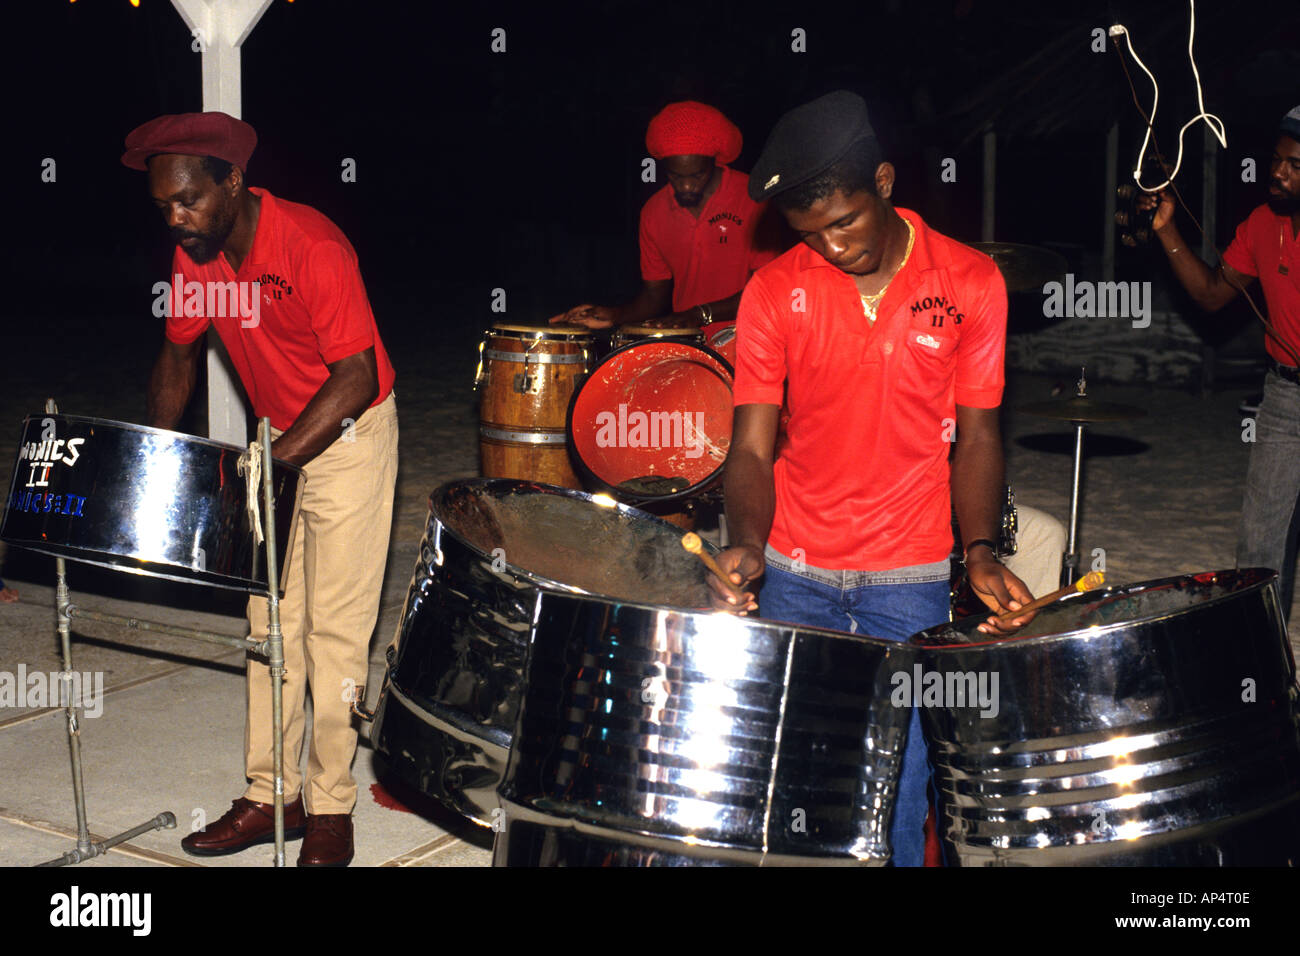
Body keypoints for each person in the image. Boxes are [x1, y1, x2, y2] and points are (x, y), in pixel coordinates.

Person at [704, 91, 1034, 867]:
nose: (832, 246)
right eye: (810, 233)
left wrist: (979, 549)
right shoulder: (773, 292)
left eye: (844, 221)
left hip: (909, 574)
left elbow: (980, 436)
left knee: (898, 780)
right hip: (795, 567)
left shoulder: (972, 281)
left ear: (884, 182)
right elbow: (750, 449)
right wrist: (747, 543)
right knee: (798, 779)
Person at [122, 111, 399, 866]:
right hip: (276, 442)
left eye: (188, 200)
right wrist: (156, 460)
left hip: (347, 435)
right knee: (268, 625)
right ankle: (269, 792)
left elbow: (356, 378)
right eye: (164, 207)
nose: (176, 219)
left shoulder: (311, 244)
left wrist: (271, 467)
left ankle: (331, 806)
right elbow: (178, 358)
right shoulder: (197, 258)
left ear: (233, 181)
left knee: (336, 634)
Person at [1139, 105, 1300, 614]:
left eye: (1295, 165)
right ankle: (1266, 669)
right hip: (1285, 397)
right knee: (1260, 544)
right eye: (1276, 160)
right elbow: (1210, 294)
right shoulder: (1260, 223)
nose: (1277, 172)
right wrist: (1167, 231)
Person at [551, 100, 779, 330]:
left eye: (697, 175)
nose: (687, 186)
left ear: (714, 161)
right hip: (691, 342)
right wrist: (613, 314)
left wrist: (699, 314)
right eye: (676, 176)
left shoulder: (753, 198)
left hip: (753, 337)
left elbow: (772, 287)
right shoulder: (654, 212)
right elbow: (654, 296)